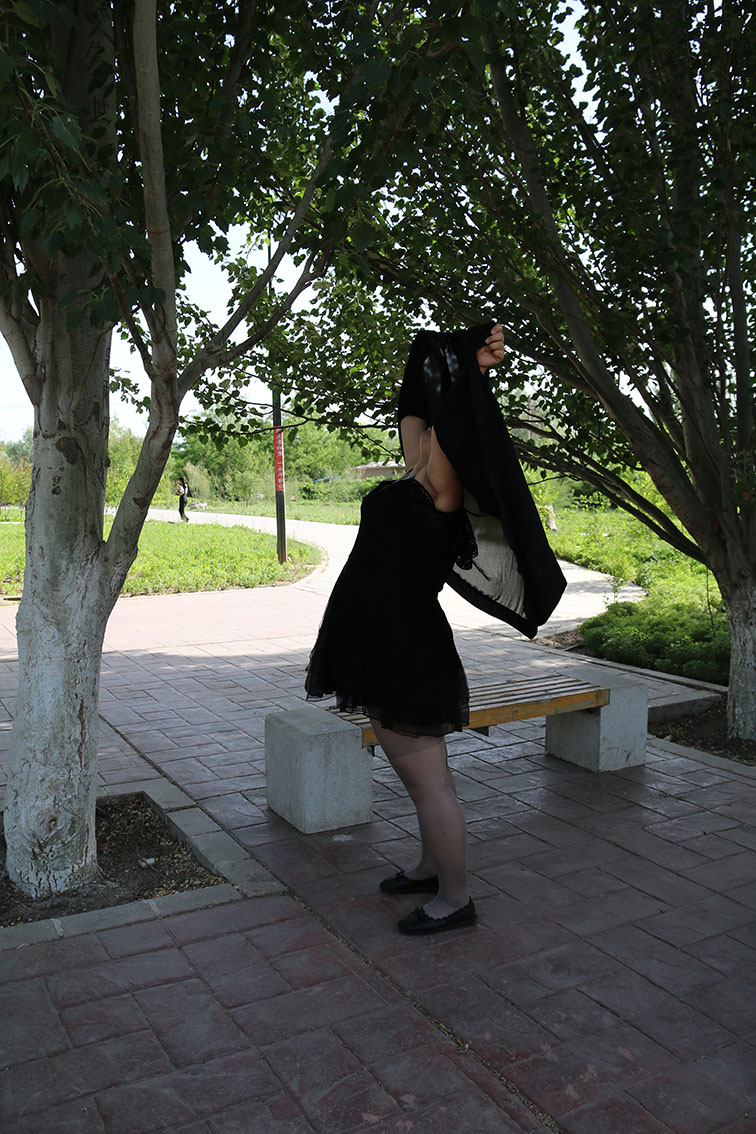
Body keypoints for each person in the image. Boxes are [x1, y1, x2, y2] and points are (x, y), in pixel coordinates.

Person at [305, 321, 566, 936]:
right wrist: (436, 357)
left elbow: (448, 418)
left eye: (433, 424)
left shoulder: (441, 488)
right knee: (419, 777)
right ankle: (428, 869)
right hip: (379, 643)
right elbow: (415, 408)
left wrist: (471, 366)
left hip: (407, 648)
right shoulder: (414, 471)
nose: (419, 428)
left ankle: (455, 898)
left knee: (430, 784)